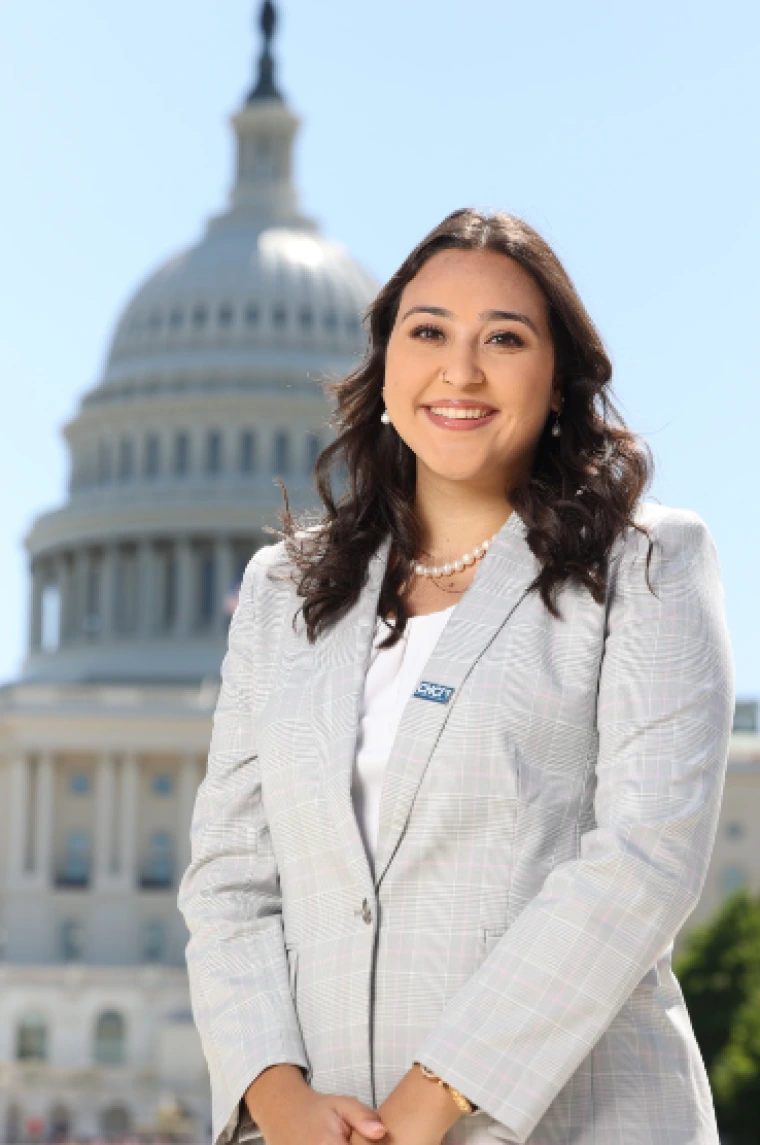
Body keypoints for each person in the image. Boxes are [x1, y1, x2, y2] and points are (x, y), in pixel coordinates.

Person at [177, 208, 735, 1145]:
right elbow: (231, 877)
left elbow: (644, 857)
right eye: (428, 331)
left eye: (504, 339)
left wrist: (433, 1098)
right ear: (385, 366)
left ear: (558, 379)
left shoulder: (646, 564)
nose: (461, 370)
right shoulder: (283, 590)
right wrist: (281, 1102)